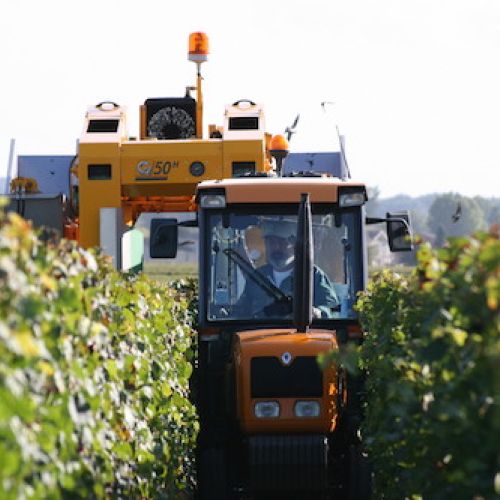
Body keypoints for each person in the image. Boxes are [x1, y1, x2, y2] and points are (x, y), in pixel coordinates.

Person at [236, 218, 339, 318]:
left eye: (282, 242)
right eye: (271, 242)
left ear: (295, 244)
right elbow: (242, 311)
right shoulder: (258, 277)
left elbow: (332, 309)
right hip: (260, 334)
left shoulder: (312, 276)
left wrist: (318, 312)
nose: (276, 247)